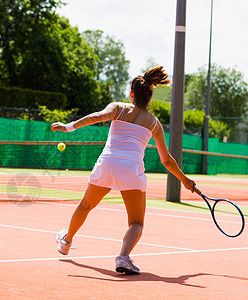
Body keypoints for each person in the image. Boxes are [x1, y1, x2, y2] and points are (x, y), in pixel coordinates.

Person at [51, 66, 196, 275]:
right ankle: (123, 257)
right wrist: (184, 179)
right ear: (150, 97)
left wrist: (68, 126)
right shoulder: (155, 124)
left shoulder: (118, 107)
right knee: (136, 223)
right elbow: (167, 160)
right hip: (131, 170)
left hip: (107, 164)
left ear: (131, 94)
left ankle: (66, 242)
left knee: (85, 205)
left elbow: (96, 117)